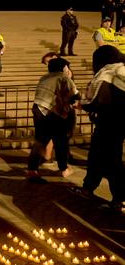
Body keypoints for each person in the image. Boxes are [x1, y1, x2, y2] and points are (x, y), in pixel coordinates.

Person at [70, 45, 125, 210]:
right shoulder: (122, 70)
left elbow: (98, 100)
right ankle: (88, 188)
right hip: (120, 122)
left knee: (111, 159)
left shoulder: (107, 74)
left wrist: (81, 105)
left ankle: (119, 198)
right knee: (97, 155)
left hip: (110, 122)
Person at [25, 58, 79, 183]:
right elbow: (75, 95)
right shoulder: (64, 78)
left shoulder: (44, 78)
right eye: (67, 67)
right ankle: (64, 169)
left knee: (40, 141)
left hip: (39, 109)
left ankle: (32, 170)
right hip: (53, 112)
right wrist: (69, 77)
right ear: (64, 68)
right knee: (61, 140)